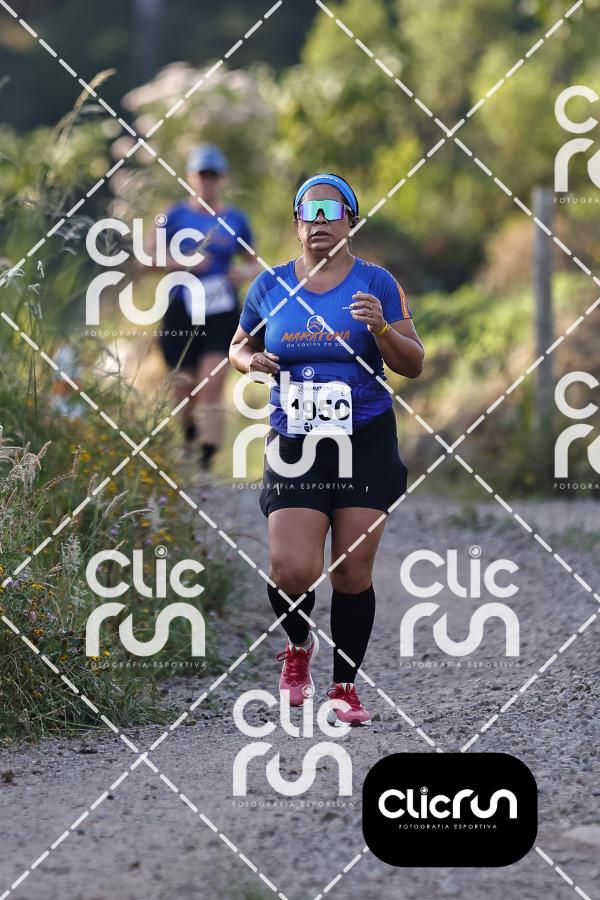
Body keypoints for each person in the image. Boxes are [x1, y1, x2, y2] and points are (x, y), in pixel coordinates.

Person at [229, 173, 424, 726]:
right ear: (296, 224)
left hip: (364, 438)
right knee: (291, 569)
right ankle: (298, 646)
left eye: (331, 211)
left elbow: (412, 362)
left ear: (351, 222)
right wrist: (249, 362)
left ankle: (344, 689)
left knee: (351, 570)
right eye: (308, 213)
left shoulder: (377, 283)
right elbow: (238, 346)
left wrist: (381, 329)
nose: (319, 222)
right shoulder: (269, 286)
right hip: (297, 442)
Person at [156, 144, 259, 469]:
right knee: (184, 386)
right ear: (190, 177)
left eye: (213, 175)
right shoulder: (173, 215)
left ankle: (206, 462)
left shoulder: (235, 219)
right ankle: (187, 436)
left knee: (212, 383)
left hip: (222, 310)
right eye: (202, 175)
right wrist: (182, 261)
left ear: (222, 178)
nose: (207, 181)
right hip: (181, 308)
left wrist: (242, 273)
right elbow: (145, 257)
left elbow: (254, 262)